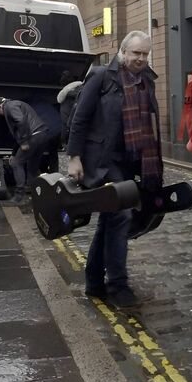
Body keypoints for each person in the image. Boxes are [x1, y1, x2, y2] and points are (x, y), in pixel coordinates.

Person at [67, 30, 162, 309]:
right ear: (123, 52)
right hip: (103, 160)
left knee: (109, 220)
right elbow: (80, 119)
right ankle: (118, 285)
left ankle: (94, 282)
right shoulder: (101, 76)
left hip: (132, 160)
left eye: (144, 54)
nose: (140, 59)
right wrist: (74, 157)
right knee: (120, 215)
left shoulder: (147, 80)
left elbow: (149, 123)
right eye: (135, 53)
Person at [0, 97, 52, 205]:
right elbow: (17, 134)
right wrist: (13, 154)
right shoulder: (17, 104)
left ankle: (19, 197)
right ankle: (37, 195)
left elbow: (21, 121)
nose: (0, 115)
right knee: (32, 167)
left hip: (33, 136)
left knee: (16, 163)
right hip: (42, 135)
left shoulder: (9, 106)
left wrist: (24, 141)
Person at [57, 70, 83, 148]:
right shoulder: (80, 89)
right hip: (76, 116)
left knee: (65, 126)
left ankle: (64, 144)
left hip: (66, 112)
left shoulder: (64, 95)